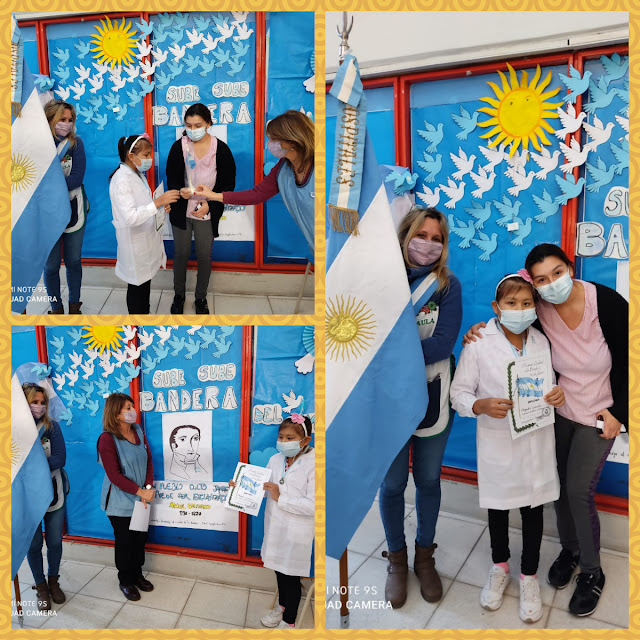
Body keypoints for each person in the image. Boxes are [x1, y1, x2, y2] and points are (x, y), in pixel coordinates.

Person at [463, 243, 628, 617]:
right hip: (558, 410)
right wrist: (478, 331)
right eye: (541, 279)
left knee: (577, 489)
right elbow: (509, 326)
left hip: (600, 412)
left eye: (557, 272)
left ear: (570, 267)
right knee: (557, 488)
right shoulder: (539, 313)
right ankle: (569, 550)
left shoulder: (607, 304)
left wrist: (621, 412)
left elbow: (632, 354)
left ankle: (591, 571)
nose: (551, 283)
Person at [450, 274, 565, 623]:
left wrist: (557, 394)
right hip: (498, 442)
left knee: (533, 510)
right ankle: (500, 566)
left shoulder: (543, 343)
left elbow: (552, 384)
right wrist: (480, 406)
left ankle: (528, 575)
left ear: (536, 307)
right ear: (495, 308)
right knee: (499, 510)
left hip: (537, 440)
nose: (519, 310)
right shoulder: (479, 343)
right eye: (511, 304)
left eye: (527, 303)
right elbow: (459, 393)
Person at [379, 207, 462, 608]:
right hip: (387, 400)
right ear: (405, 234)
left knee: (428, 480)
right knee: (392, 484)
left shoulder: (447, 285)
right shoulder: (380, 281)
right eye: (421, 234)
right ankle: (397, 558)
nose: (428, 243)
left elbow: (442, 344)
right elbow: (367, 338)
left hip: (433, 395)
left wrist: (394, 351)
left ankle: (424, 556)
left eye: (437, 238)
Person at [195, 109, 315, 259]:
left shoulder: (320, 166)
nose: (270, 144)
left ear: (291, 141)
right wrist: (213, 195)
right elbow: (256, 195)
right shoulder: (283, 168)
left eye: (274, 139)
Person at [233, 414, 314, 629]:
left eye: (289, 438)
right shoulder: (276, 459)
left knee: (291, 576)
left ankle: (289, 623)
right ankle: (283, 607)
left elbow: (314, 505)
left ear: (305, 440)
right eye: (281, 437)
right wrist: (241, 487)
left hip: (297, 531)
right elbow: (262, 486)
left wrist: (281, 498)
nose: (284, 442)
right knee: (279, 570)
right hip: (276, 527)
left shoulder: (314, 463)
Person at [166, 103, 236, 314]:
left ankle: (201, 298)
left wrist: (210, 205)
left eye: (197, 125)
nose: (192, 129)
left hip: (207, 208)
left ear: (208, 124)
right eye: (188, 125)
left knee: (204, 255)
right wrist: (179, 191)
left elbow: (228, 183)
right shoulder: (179, 146)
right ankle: (179, 295)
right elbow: (172, 178)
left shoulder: (220, 148)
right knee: (180, 254)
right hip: (182, 209)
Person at [108, 134, 180, 314]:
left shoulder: (137, 174)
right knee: (136, 288)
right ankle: (136, 321)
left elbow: (144, 204)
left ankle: (144, 314)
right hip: (134, 244)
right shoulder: (121, 180)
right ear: (132, 156)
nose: (150, 159)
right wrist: (157, 203)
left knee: (144, 285)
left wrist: (160, 207)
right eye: (146, 155)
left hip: (145, 240)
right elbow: (130, 218)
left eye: (150, 154)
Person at [97, 393, 155, 601]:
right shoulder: (107, 439)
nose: (133, 411)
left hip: (141, 498)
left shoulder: (138, 430)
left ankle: (137, 575)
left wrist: (147, 488)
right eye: (127, 408)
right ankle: (125, 580)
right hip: (120, 501)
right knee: (125, 542)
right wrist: (141, 492)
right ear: (116, 414)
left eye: (132, 406)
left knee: (139, 540)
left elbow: (148, 459)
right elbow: (114, 475)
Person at [22, 382, 68, 611]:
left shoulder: (52, 427)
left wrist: (30, 466)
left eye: (43, 402)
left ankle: (53, 582)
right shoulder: (12, 431)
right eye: (34, 402)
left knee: (55, 542)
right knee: (32, 545)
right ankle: (40, 586)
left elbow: (59, 459)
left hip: (53, 492)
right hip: (25, 498)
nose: (39, 407)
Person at [43, 100, 88, 314]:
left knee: (73, 261)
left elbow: (77, 179)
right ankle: (56, 308)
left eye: (70, 120)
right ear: (50, 119)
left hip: (73, 208)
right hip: (46, 213)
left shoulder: (76, 144)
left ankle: (74, 305)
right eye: (62, 119)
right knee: (51, 266)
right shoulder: (39, 145)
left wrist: (50, 183)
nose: (67, 124)